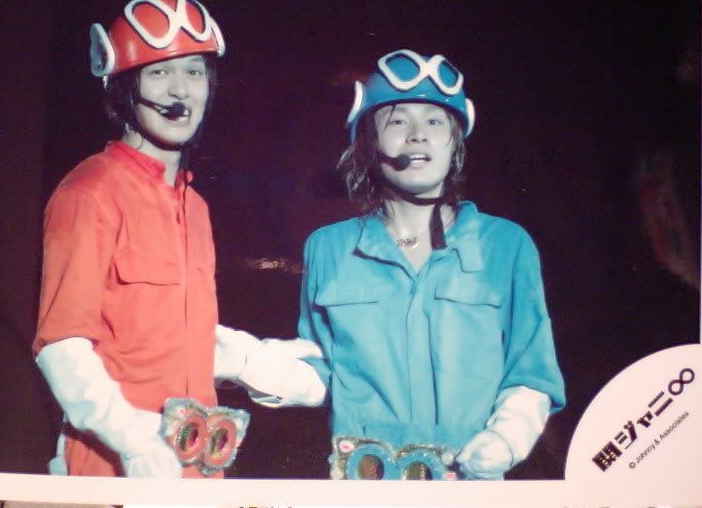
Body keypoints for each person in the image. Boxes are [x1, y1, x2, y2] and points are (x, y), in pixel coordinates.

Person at [223, 48, 566, 480]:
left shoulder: (507, 246)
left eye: (435, 121)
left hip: (470, 489)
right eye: (398, 121)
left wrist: (506, 439)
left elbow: (531, 371)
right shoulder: (328, 248)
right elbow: (324, 371)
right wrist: (247, 362)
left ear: (456, 140)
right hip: (364, 487)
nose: (418, 135)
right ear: (369, 140)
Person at [33, 0, 245, 479]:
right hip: (115, 467)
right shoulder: (90, 192)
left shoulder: (196, 207)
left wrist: (260, 361)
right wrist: (134, 442)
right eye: (159, 72)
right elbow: (62, 346)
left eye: (194, 71)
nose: (180, 91)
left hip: (196, 468)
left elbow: (174, 336)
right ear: (125, 89)